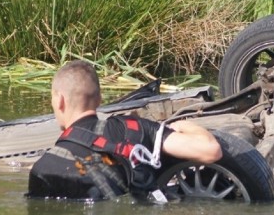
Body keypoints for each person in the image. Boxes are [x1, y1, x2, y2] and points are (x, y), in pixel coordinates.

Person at [27, 60, 222, 200]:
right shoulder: (133, 128)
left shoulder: (43, 169)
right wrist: (181, 125)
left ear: (60, 100)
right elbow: (210, 150)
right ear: (100, 98)